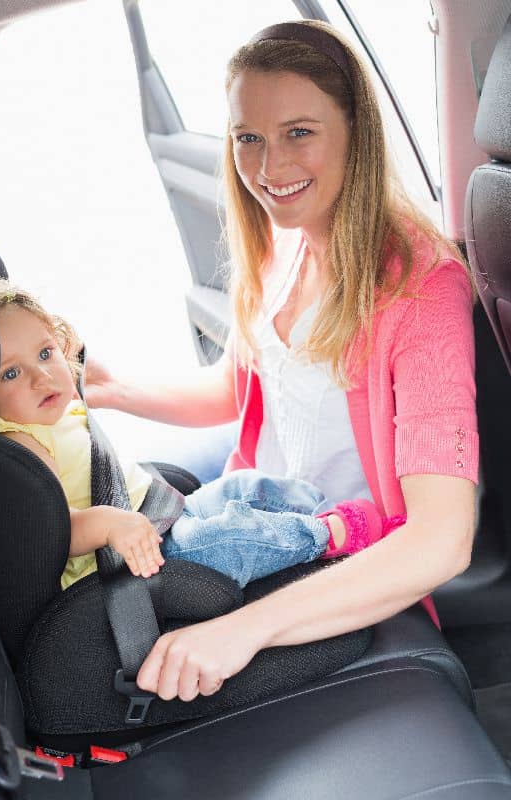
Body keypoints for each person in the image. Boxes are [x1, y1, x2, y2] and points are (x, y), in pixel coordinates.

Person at [84, 19, 478, 702]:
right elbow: (239, 395)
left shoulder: (420, 288)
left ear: (355, 129)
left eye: (299, 133)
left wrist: (244, 631)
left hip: (334, 561)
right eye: (248, 139)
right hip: (256, 521)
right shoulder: (280, 248)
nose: (269, 170)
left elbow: (442, 540)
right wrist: (114, 389)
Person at [0, 274, 402, 592]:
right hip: (127, 561)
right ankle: (334, 535)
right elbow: (49, 529)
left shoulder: (57, 411)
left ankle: (325, 510)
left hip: (159, 513)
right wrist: (108, 524)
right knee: (234, 537)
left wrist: (101, 386)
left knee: (244, 487)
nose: (42, 376)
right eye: (11, 372)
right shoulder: (18, 441)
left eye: (46, 353)